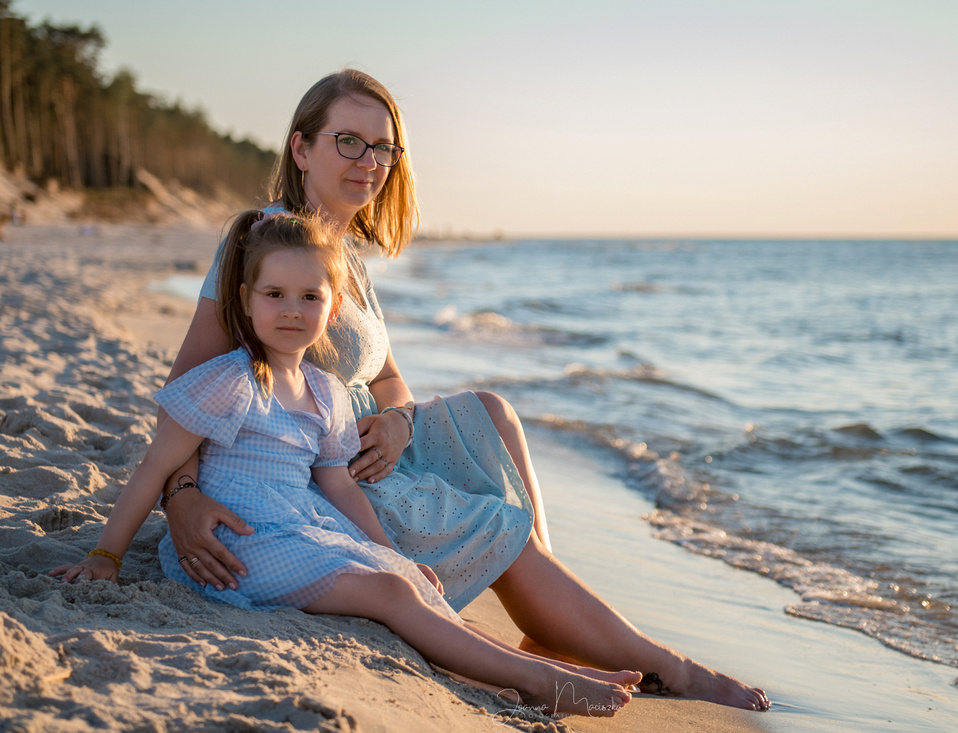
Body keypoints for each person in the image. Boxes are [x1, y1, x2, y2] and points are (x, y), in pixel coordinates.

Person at [162, 69, 770, 711]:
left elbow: (389, 377)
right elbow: (191, 387)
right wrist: (181, 497)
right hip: (322, 466)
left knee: (491, 411)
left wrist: (398, 421)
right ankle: (665, 666)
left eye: (383, 148)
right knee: (494, 518)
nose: (369, 162)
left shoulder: (347, 257)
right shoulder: (263, 242)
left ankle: (545, 608)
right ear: (301, 148)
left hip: (375, 437)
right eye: (348, 141)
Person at [50, 210, 636, 717]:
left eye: (310, 296)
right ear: (245, 302)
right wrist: (106, 555)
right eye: (274, 294)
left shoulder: (326, 392)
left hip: (303, 526)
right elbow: (154, 468)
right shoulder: (229, 382)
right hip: (242, 541)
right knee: (391, 594)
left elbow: (338, 488)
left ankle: (539, 670)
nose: (290, 309)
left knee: (409, 581)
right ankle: (539, 680)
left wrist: (388, 550)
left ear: (333, 312)